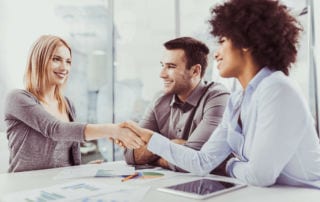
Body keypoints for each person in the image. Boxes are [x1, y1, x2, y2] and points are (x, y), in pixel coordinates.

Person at [121, 0, 320, 187]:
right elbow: (203, 162)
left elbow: (260, 176)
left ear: (246, 42)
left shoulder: (277, 89)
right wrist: (150, 138)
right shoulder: (238, 100)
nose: (216, 53)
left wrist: (229, 163)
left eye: (223, 41)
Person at [4, 35, 144, 173]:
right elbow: (56, 129)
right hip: (25, 186)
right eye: (56, 59)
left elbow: (68, 155)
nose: (64, 67)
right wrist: (113, 130)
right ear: (38, 60)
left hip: (59, 185)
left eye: (68, 61)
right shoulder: (17, 98)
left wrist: (82, 168)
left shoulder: (67, 105)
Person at [123, 37, 230, 173]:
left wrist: (156, 151)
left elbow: (194, 161)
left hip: (214, 188)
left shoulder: (218, 97)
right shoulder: (159, 100)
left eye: (171, 67)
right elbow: (130, 154)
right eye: (163, 66)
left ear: (195, 71)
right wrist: (175, 145)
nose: (162, 74)